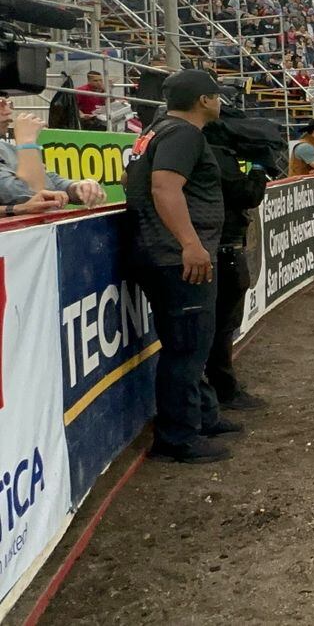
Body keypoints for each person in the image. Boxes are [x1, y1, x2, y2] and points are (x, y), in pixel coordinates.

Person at [122, 69, 238, 464]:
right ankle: (177, 438)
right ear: (204, 100)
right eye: (216, 95)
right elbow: (164, 187)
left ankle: (201, 415)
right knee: (186, 348)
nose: (221, 102)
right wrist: (190, 244)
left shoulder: (157, 130)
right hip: (176, 258)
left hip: (164, 252)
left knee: (193, 343)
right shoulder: (182, 134)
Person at [203, 101, 271, 412]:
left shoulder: (204, 148)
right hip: (223, 247)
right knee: (222, 324)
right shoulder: (215, 154)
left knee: (219, 324)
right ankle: (222, 389)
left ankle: (219, 388)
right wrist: (258, 168)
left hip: (221, 245)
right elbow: (246, 194)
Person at [0, 97, 108, 208]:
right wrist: (27, 143)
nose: (9, 111)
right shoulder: (23, 147)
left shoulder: (7, 148)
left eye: (8, 104)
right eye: (1, 104)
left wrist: (76, 187)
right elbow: (30, 196)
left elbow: (49, 180)